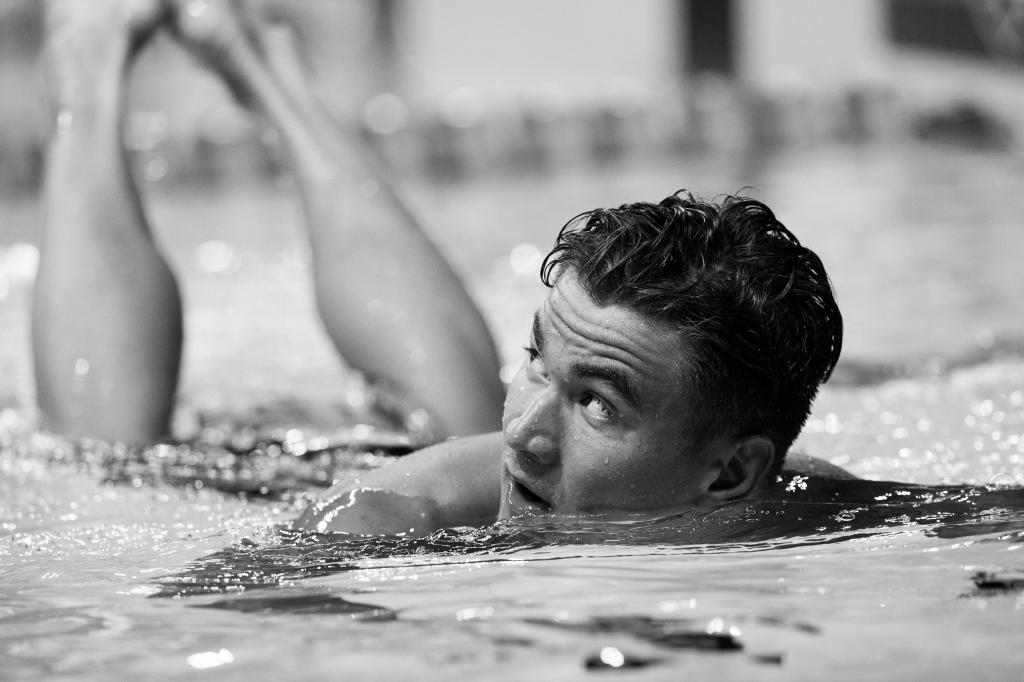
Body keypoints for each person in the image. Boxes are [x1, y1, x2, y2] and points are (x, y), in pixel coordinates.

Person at [34, 0, 847, 537]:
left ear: (734, 473)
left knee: (461, 417)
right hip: (301, 482)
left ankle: (265, 70)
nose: (522, 431)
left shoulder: (787, 497)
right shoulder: (384, 517)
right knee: (110, 455)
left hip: (422, 459)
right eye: (536, 357)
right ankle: (91, 74)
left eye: (597, 402)